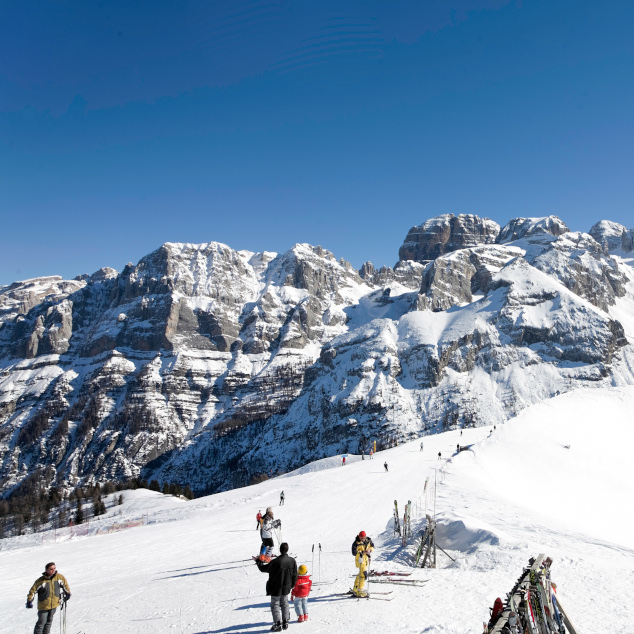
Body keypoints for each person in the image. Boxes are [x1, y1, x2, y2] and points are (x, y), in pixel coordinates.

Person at [256, 542, 298, 632]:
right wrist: (292, 585)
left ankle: (277, 623)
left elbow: (263, 569)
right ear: (287, 550)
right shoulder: (292, 561)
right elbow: (295, 575)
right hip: (286, 586)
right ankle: (285, 621)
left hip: (276, 587)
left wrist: (258, 562)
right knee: (284, 603)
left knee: (275, 604)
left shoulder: (275, 562)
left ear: (280, 550)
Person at [26, 562, 71, 634]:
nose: (53, 570)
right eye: (51, 569)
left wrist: (68, 593)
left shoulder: (59, 577)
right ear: (46, 570)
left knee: (49, 623)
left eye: (54, 568)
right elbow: (33, 591)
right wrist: (29, 601)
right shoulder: (41, 581)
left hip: (54, 605)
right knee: (41, 623)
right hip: (43, 606)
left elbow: (65, 586)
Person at [351, 531, 374, 597]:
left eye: (363, 538)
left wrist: (370, 550)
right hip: (360, 560)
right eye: (361, 538)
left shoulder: (368, 541)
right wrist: (362, 552)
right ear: (359, 537)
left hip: (365, 560)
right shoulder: (356, 543)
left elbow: (372, 546)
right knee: (364, 575)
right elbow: (353, 552)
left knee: (360, 574)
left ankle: (355, 588)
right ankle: (360, 591)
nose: (362, 539)